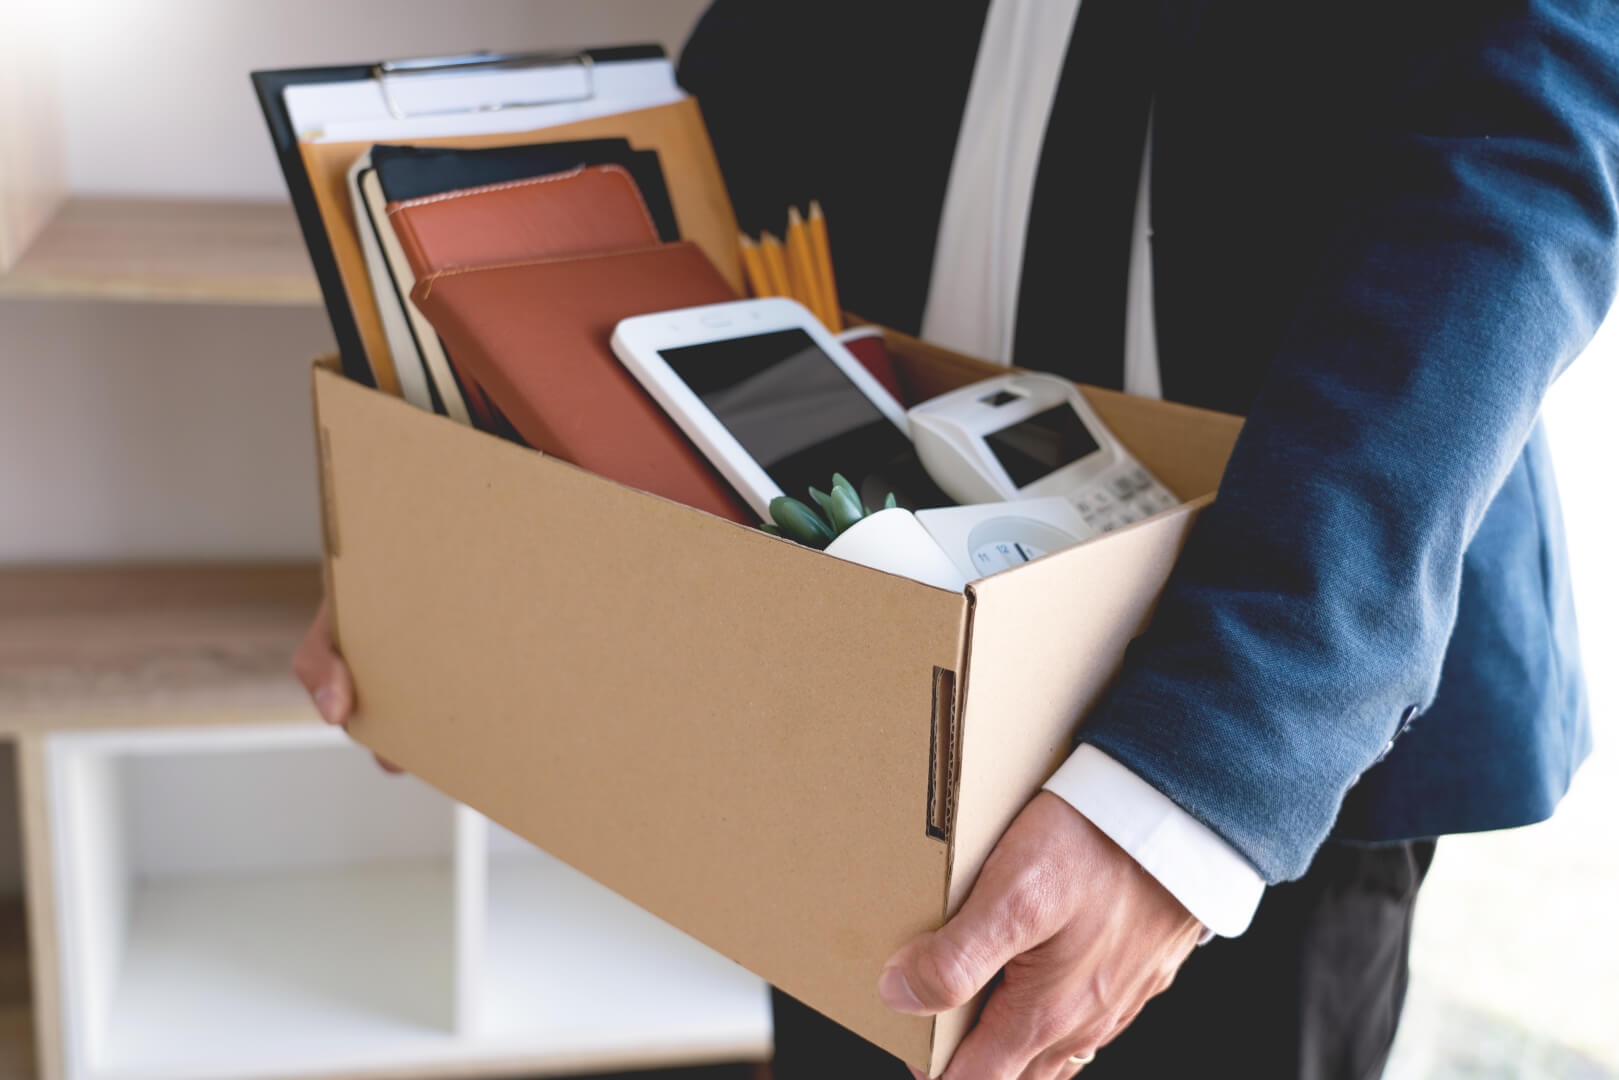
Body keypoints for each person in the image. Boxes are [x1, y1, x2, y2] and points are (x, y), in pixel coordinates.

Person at [297, 1, 1619, 1077]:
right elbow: (756, 77)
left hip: (1259, 695)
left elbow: (1530, 135)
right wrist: (468, 535)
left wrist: (1195, 785)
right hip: (853, 659)